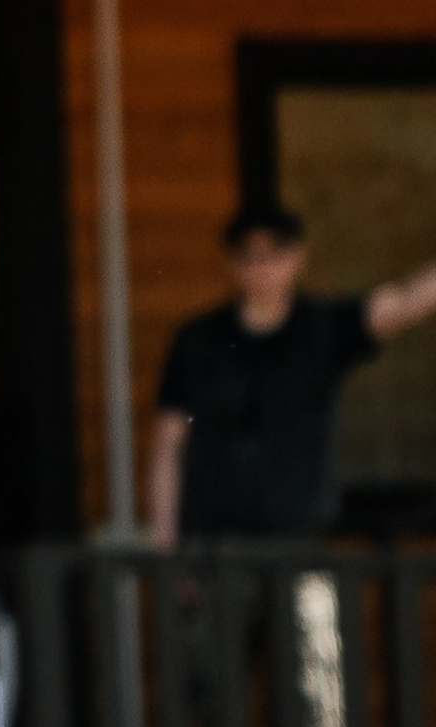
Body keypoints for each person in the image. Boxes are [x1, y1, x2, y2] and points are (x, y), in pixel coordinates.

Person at [147, 201, 436, 546]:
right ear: (232, 261)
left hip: (304, 542)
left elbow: (404, 302)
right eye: (250, 254)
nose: (262, 267)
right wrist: (168, 551)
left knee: (317, 600)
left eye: (274, 253)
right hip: (216, 547)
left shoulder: (324, 328)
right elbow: (167, 446)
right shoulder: (197, 340)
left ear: (297, 257)